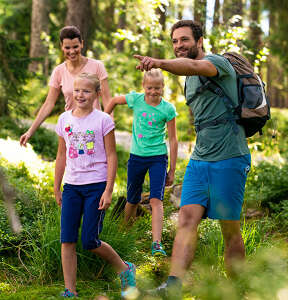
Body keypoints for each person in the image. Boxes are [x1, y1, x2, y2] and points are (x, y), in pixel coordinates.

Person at [134, 20, 251, 298]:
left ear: (199, 41)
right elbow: (188, 72)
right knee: (186, 220)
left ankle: (239, 290)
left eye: (184, 40)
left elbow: (196, 66)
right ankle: (172, 287)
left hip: (229, 158)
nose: (178, 46)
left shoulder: (217, 63)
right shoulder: (188, 79)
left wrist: (159, 63)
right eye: (174, 41)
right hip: (200, 161)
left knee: (229, 229)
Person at [54, 72, 137, 299]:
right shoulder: (64, 120)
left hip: (96, 185)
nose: (80, 95)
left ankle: (124, 269)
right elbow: (61, 155)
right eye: (77, 90)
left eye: (86, 91)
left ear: (97, 94)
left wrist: (109, 190)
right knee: (67, 239)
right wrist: (56, 186)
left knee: (90, 240)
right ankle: (70, 290)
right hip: (71, 186)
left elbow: (112, 156)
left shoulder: (103, 120)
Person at [105, 69, 178, 256]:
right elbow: (113, 101)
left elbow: (173, 140)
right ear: (143, 87)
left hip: (158, 158)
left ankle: (156, 243)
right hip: (137, 157)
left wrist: (172, 170)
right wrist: (103, 119)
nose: (153, 92)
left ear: (163, 87)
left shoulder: (168, 109)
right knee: (132, 199)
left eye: (157, 88)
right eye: (149, 88)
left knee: (156, 199)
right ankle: (124, 235)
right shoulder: (136, 100)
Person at [20, 25, 111, 147]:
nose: (72, 51)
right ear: (61, 47)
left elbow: (107, 100)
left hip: (94, 127)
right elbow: (49, 103)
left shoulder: (97, 66)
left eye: (75, 47)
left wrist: (109, 128)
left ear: (82, 44)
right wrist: (30, 131)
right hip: (71, 128)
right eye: (67, 47)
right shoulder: (59, 71)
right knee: (70, 162)